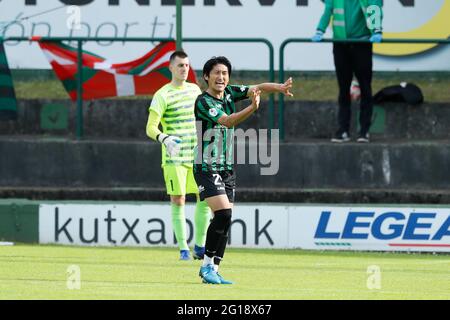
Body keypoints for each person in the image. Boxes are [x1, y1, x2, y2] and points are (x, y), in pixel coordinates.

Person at [194, 56, 293, 284]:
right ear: (206, 77)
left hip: (227, 168)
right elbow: (227, 121)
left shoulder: (230, 92)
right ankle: (206, 266)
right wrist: (252, 108)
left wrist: (278, 88)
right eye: (216, 73)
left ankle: (214, 269)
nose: (221, 77)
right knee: (223, 214)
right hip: (206, 166)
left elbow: (256, 88)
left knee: (225, 220)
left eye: (224, 73)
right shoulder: (203, 102)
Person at [146, 51, 210, 261]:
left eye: (187, 65)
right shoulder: (162, 95)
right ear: (171, 68)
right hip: (174, 157)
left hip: (197, 154)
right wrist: (164, 138)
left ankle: (200, 246)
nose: (185, 69)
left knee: (204, 198)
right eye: (181, 65)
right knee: (179, 199)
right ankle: (183, 249)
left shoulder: (194, 90)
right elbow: (150, 128)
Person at [312, 0, 383, 143]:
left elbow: (375, 8)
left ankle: (364, 131)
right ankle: (343, 130)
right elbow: (327, 12)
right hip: (340, 45)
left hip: (361, 44)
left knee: (365, 88)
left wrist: (377, 30)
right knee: (343, 89)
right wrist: (320, 30)